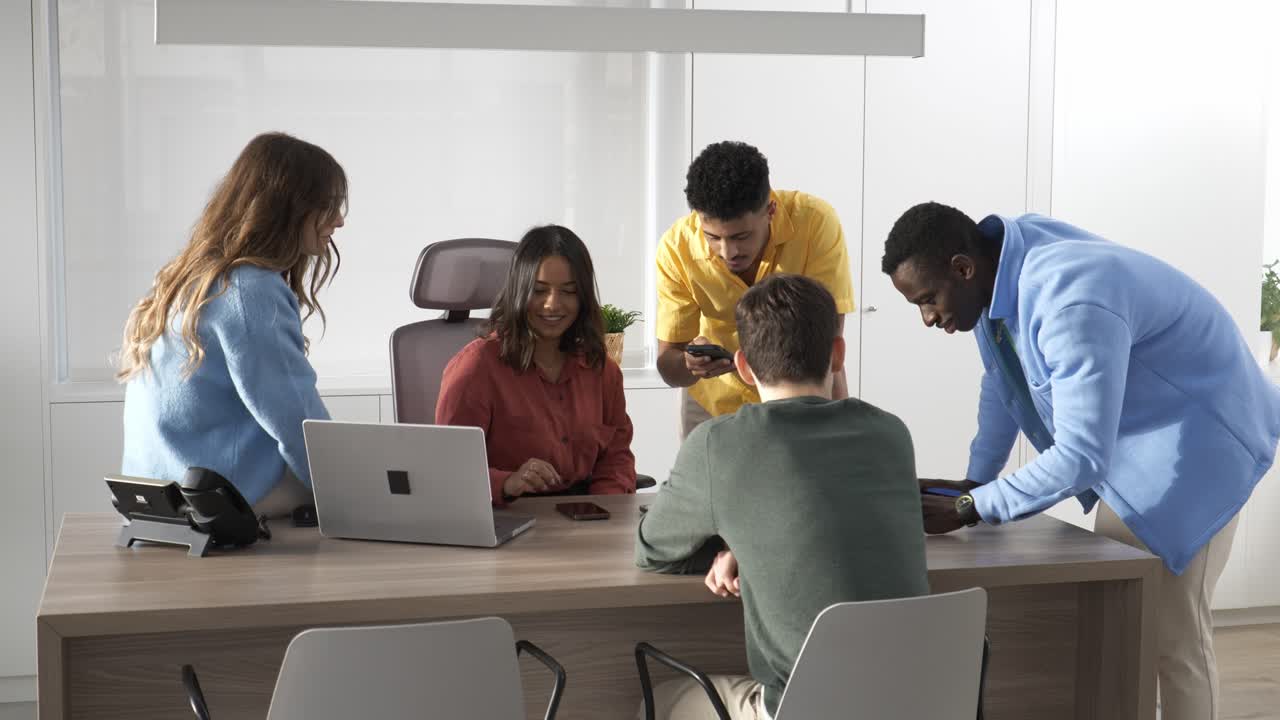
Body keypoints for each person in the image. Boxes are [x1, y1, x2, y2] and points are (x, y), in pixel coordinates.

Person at [882, 201, 1280, 720]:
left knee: (1172, 637)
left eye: (928, 299)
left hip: (1204, 444)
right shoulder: (995, 270)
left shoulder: (1068, 297)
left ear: (962, 268)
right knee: (1122, 621)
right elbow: (1003, 379)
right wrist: (976, 479)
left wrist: (971, 505)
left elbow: (1081, 456)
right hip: (1144, 445)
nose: (928, 318)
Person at [635, 273, 928, 720]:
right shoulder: (891, 433)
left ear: (744, 366)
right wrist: (746, 542)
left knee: (660, 701)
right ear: (837, 355)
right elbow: (835, 521)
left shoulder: (719, 444)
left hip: (804, 709)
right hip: (926, 699)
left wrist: (741, 546)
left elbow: (652, 550)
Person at [118, 132, 347, 515]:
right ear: (289, 207)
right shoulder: (249, 290)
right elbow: (301, 425)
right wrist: (364, 493)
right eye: (327, 206)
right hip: (213, 502)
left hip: (159, 497)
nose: (339, 220)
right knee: (364, 500)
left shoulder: (192, 277)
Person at [654, 141, 855, 438]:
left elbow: (826, 345)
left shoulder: (815, 223)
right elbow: (669, 369)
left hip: (802, 398)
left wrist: (838, 428)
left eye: (742, 236)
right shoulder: (676, 248)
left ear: (770, 210)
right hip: (715, 405)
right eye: (712, 237)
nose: (727, 251)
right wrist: (689, 363)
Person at [436, 224, 637, 504]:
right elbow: (448, 470)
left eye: (568, 291)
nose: (553, 305)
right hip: (506, 517)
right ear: (519, 292)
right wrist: (507, 482)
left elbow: (616, 458)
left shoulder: (602, 370)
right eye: (539, 291)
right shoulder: (477, 367)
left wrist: (602, 509)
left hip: (586, 519)